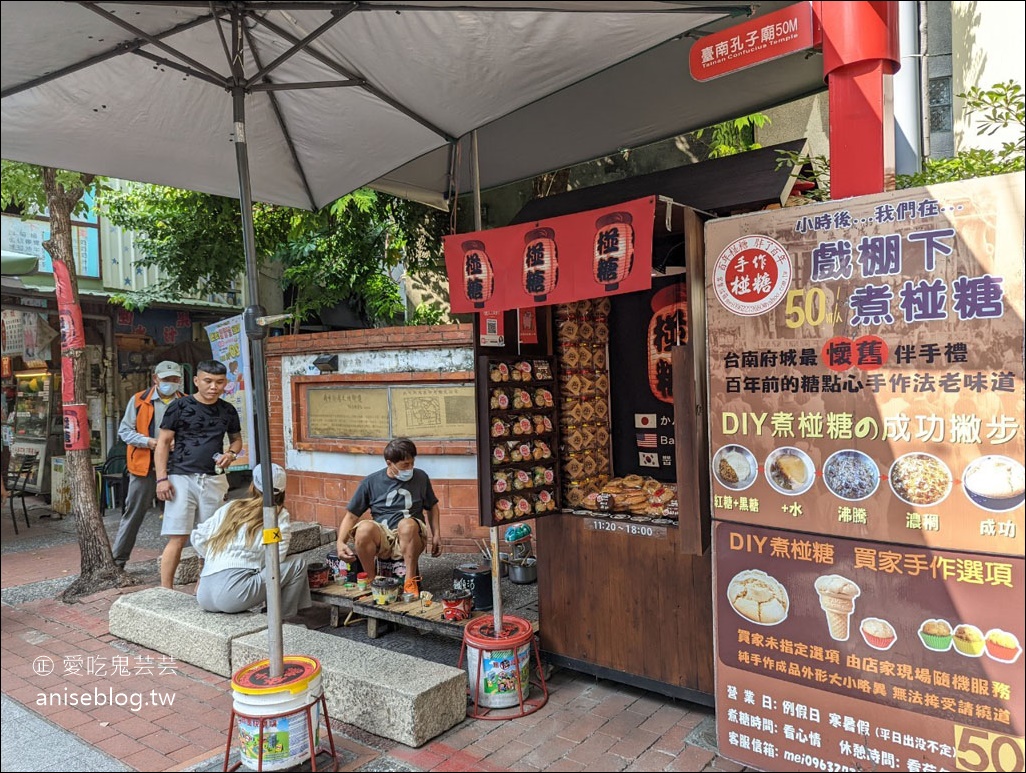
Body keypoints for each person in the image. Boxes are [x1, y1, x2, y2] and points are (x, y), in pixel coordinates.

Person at [155, 359, 242, 589]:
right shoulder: (178, 407)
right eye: (208, 381)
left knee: (212, 536)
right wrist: (161, 478)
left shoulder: (228, 410)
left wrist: (231, 454)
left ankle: (204, 586)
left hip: (214, 477)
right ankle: (165, 590)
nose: (214, 386)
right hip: (180, 477)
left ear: (226, 383)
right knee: (178, 536)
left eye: (219, 382)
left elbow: (236, 440)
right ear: (196, 381)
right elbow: (163, 443)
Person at [191, 463, 311, 618]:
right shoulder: (278, 515)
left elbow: (198, 537)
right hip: (233, 594)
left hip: (204, 594)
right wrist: (255, 564)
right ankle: (283, 621)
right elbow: (276, 556)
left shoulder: (231, 507)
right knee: (297, 563)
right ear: (282, 490)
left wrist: (214, 559)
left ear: (253, 484)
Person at [335, 437, 442, 597]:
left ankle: (410, 582)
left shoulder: (421, 477)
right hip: (383, 537)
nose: (410, 468)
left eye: (412, 463)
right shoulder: (370, 482)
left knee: (407, 525)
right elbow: (351, 516)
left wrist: (436, 535)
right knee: (363, 528)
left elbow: (432, 506)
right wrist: (340, 542)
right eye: (405, 465)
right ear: (389, 463)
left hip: (412, 535)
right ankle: (372, 581)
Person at [110, 360, 185, 569]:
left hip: (176, 465)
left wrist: (178, 443)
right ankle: (118, 560)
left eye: (174, 379)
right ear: (155, 379)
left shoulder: (186, 401)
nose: (170, 383)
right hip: (143, 465)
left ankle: (184, 560)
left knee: (182, 512)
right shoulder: (138, 400)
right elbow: (125, 431)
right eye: (166, 379)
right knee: (133, 512)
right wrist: (149, 442)